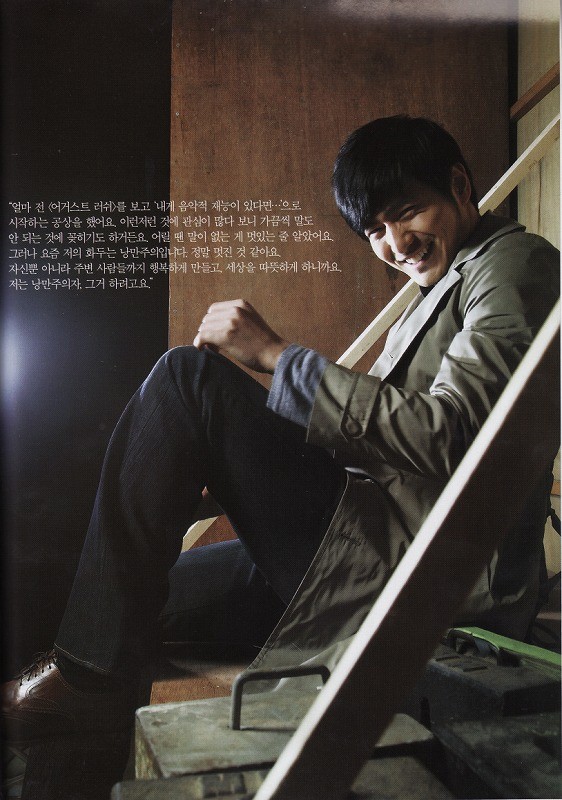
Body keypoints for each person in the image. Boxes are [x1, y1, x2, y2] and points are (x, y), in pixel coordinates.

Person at [3, 115, 559, 748]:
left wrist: (276, 355)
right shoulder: (437, 285)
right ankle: (84, 687)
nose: (397, 243)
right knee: (118, 598)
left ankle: (82, 683)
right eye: (375, 231)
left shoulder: (514, 266)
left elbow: (456, 438)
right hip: (368, 535)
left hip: (424, 572)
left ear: (459, 186)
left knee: (190, 378)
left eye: (408, 213)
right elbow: (374, 444)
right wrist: (225, 475)